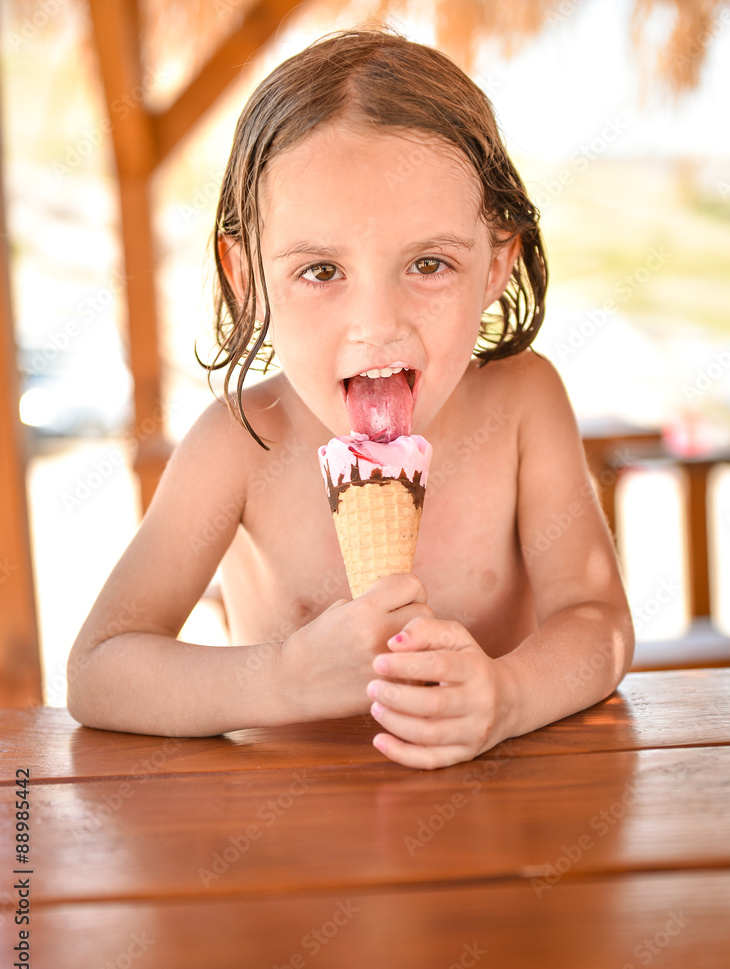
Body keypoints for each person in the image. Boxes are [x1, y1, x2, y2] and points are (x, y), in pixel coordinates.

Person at [67, 28, 634, 769]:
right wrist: (283, 678)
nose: (377, 325)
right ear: (247, 278)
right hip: (291, 857)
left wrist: (506, 696)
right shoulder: (238, 446)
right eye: (321, 270)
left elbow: (599, 623)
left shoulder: (524, 406)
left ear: (497, 265)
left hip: (498, 834)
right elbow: (99, 670)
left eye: (428, 263)